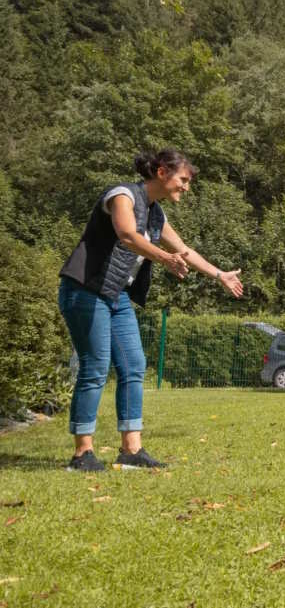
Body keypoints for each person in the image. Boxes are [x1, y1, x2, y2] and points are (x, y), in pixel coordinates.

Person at [58, 149, 244, 471]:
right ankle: (82, 454)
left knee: (133, 365)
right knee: (96, 366)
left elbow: (184, 251)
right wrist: (163, 257)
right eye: (183, 179)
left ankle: (131, 450)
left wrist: (220, 275)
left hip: (116, 297)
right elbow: (127, 235)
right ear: (161, 172)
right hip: (85, 290)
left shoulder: (157, 215)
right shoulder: (123, 195)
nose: (186, 187)